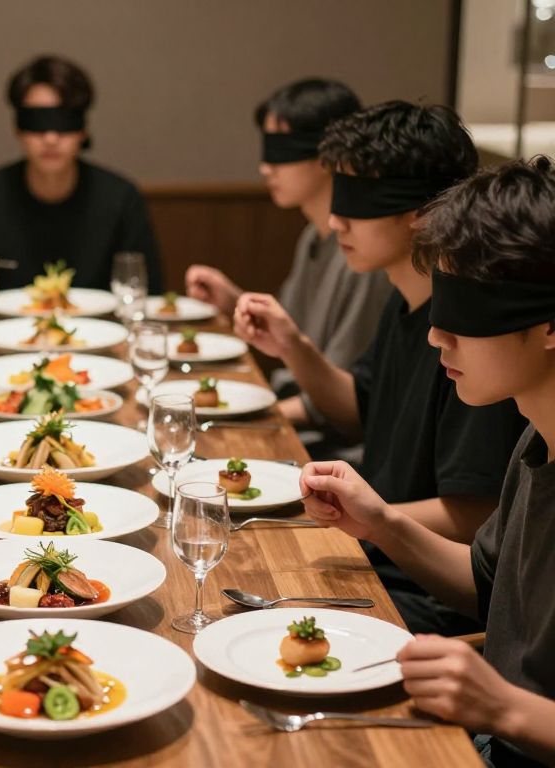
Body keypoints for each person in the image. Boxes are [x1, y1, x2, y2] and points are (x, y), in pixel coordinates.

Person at [233, 101, 526, 634]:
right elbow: (357, 411)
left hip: (417, 592)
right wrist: (294, 346)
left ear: (424, 211)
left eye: (358, 200)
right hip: (376, 559)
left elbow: (473, 516)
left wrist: (355, 519)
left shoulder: (479, 340)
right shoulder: (402, 300)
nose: (335, 218)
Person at [301, 157, 555, 767]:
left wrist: (504, 708)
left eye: (465, 311)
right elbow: (485, 585)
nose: (437, 335)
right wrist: (380, 523)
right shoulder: (535, 437)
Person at [185, 79, 391, 431]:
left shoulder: (363, 256)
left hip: (331, 444)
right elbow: (291, 335)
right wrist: (234, 300)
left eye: (283, 150)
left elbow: (346, 400)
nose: (266, 167)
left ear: (331, 154)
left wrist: (238, 419)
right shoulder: (313, 235)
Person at [0, 54, 161, 293]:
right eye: (37, 122)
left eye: (64, 121)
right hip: (0, 329)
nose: (50, 138)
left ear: (83, 130)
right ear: (17, 128)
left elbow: (148, 287)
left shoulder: (120, 198)